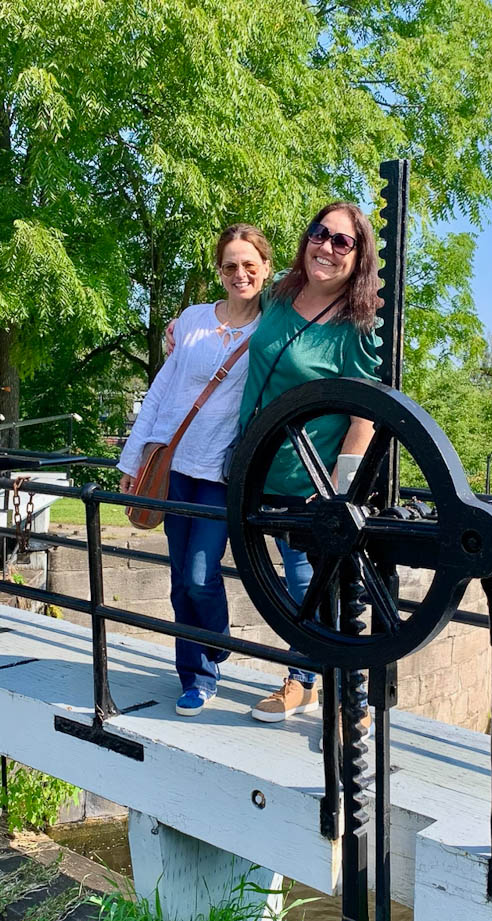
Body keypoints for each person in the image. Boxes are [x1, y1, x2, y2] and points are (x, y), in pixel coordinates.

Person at [166, 203, 382, 734]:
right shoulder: (283, 294)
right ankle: (305, 680)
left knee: (313, 585)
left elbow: (364, 418)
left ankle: (341, 697)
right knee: (287, 591)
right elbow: (233, 306)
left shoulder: (356, 327)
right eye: (319, 233)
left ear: (359, 259)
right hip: (252, 471)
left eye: (342, 242)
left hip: (310, 486)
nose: (326, 247)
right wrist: (184, 327)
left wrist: (337, 492)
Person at [118, 224, 272, 717]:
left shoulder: (272, 329)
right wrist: (132, 458)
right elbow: (163, 390)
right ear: (219, 270)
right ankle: (197, 676)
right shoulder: (191, 321)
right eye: (230, 265)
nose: (240, 274)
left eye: (250, 264)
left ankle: (216, 642)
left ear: (266, 268)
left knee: (202, 576)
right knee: (179, 576)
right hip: (172, 465)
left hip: (219, 473)